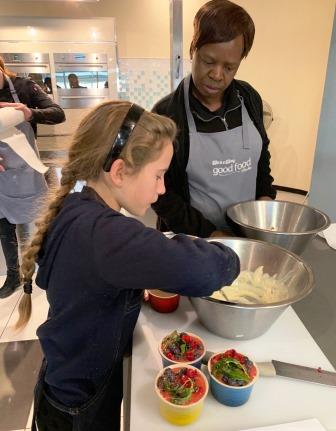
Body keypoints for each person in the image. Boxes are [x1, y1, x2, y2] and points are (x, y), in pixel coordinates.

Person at [14, 100, 240, 431]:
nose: (162, 189)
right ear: (119, 171)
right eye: (159, 175)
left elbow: (91, 275)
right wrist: (233, 256)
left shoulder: (78, 197)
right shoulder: (105, 234)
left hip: (64, 380)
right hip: (80, 405)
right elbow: (204, 271)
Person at [152, 0, 276, 238]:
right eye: (209, 61)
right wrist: (211, 234)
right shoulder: (167, 114)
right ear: (192, 49)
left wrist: (265, 200)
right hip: (195, 241)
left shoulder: (249, 98)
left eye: (229, 67)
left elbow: (261, 156)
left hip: (248, 234)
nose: (217, 75)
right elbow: (162, 194)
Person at [0, 56, 65, 299]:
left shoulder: (25, 87)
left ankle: (50, 269)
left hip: (27, 170)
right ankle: (13, 275)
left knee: (41, 223)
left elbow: (58, 114)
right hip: (0, 174)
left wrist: (30, 113)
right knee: (3, 226)